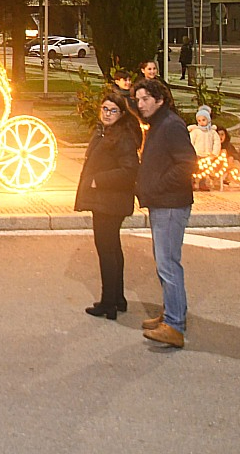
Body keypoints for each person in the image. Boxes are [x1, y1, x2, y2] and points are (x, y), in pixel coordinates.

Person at [133, 78, 197, 348]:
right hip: (162, 203)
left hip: (170, 204)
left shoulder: (170, 125)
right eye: (138, 99)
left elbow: (187, 164)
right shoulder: (159, 123)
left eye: (145, 98)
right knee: (165, 264)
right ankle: (171, 313)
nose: (140, 104)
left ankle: (174, 325)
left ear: (160, 99)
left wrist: (157, 186)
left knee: (168, 264)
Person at [73, 91, 141, 320]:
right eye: (105, 109)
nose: (108, 114)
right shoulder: (104, 131)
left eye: (113, 110)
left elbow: (129, 170)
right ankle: (118, 298)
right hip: (103, 200)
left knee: (106, 251)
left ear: (122, 114)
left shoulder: (122, 137)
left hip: (110, 201)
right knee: (112, 248)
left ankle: (108, 302)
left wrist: (98, 180)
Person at [188, 105, 221, 191]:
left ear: (208, 120)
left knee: (204, 171)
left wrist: (215, 152)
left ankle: (203, 184)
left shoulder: (212, 132)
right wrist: (191, 152)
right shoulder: (195, 131)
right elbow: (191, 142)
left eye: (203, 120)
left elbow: (216, 142)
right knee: (194, 169)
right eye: (199, 120)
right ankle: (191, 183)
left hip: (207, 155)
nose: (201, 122)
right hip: (197, 154)